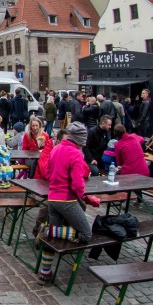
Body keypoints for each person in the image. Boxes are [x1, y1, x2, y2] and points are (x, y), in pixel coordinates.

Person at [37, 121, 102, 285]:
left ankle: (45, 274)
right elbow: (77, 184)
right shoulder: (76, 154)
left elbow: (49, 173)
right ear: (80, 139)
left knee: (53, 240)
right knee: (86, 234)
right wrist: (86, 198)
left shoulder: (56, 148)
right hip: (67, 200)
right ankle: (48, 231)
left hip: (52, 198)